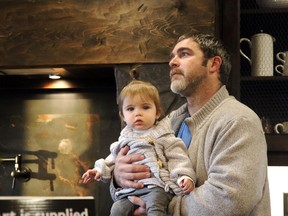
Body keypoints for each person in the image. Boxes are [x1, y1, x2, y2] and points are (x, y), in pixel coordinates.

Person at [111, 33, 271, 215]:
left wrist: (158, 206)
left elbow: (228, 200)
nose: (172, 62)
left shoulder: (238, 120)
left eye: (184, 54)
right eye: (172, 57)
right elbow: (140, 179)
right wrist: (118, 177)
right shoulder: (168, 124)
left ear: (213, 64)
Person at [82, 80, 196, 216]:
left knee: (155, 207)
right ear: (123, 116)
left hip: (157, 187)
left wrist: (183, 176)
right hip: (129, 190)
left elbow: (178, 158)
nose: (138, 113)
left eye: (145, 107)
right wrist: (98, 170)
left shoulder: (165, 136)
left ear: (157, 112)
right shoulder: (123, 140)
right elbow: (112, 159)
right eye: (130, 109)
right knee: (117, 209)